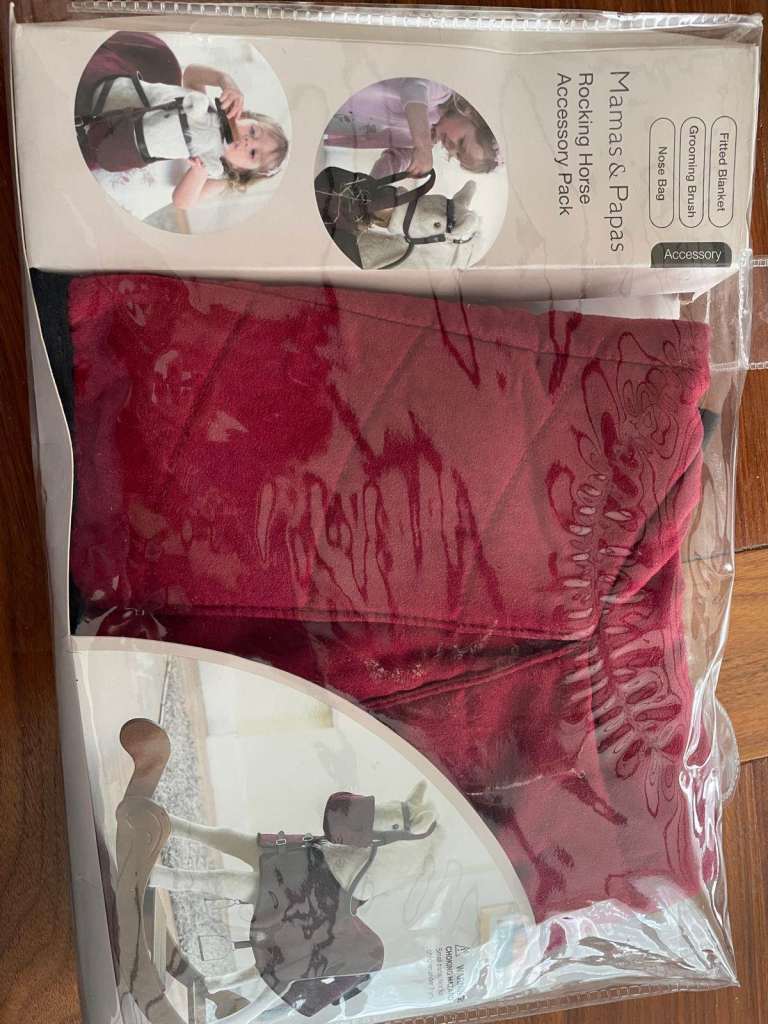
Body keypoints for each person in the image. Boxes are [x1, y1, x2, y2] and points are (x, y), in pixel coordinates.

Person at [75, 31, 289, 209]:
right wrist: (225, 81)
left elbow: (182, 202)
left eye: (253, 153)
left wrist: (199, 172)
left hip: (131, 156)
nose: (248, 142)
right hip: (129, 104)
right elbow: (192, 75)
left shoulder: (220, 178)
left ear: (243, 172)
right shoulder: (209, 113)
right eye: (253, 131)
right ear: (245, 116)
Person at [323, 78, 500, 177]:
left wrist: (375, 189)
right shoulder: (443, 92)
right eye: (461, 142)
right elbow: (414, 88)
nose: (451, 149)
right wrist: (422, 146)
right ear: (472, 114)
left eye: (457, 155)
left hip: (332, 122)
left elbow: (394, 160)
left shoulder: (427, 137)